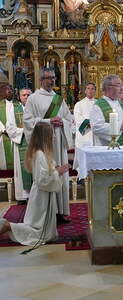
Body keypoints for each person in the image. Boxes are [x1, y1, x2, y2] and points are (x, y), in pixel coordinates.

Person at [0, 122, 69, 247]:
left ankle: (7, 226)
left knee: (44, 231)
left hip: (43, 195)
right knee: (38, 231)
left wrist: (56, 169)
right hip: (41, 197)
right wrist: (57, 172)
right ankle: (7, 226)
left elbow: (47, 171)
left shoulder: (43, 153)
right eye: (51, 135)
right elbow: (41, 179)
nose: (53, 137)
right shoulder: (39, 155)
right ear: (44, 137)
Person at [23, 67, 73, 224]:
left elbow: (68, 118)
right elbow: (28, 122)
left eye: (53, 78)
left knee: (60, 175)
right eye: (48, 78)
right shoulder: (33, 99)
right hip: (43, 142)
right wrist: (48, 121)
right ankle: (48, 213)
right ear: (41, 80)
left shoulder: (58, 98)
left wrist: (62, 122)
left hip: (58, 140)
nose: (51, 81)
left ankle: (60, 212)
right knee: (47, 173)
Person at [90, 74, 123, 146]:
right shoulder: (98, 106)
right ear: (108, 87)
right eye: (119, 85)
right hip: (108, 148)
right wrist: (119, 126)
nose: (122, 88)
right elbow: (96, 127)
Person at [6, 88, 33, 204]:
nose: (26, 97)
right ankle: (23, 196)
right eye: (24, 95)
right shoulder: (14, 109)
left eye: (28, 95)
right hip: (21, 142)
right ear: (19, 97)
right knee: (22, 170)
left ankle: (36, 194)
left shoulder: (36, 109)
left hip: (35, 143)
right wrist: (23, 131)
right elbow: (10, 127)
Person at [74, 83, 97, 148]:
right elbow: (77, 118)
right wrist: (90, 123)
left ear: (95, 91)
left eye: (92, 89)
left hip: (95, 133)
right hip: (84, 133)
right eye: (88, 88)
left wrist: (94, 123)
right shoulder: (79, 104)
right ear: (85, 91)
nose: (90, 90)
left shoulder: (98, 103)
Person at [0, 84, 14, 170]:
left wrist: (13, 130)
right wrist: (4, 129)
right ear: (2, 92)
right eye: (7, 89)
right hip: (3, 136)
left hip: (15, 136)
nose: (10, 91)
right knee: (3, 162)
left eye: (11, 89)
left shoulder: (18, 105)